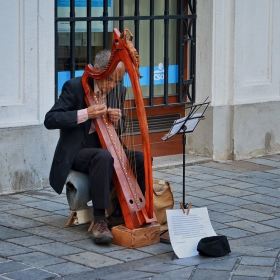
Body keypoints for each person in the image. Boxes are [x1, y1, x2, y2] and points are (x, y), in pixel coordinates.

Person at [44, 50, 145, 244]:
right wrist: (85, 113)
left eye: (116, 81)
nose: (111, 86)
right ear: (97, 72)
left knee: (140, 159)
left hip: (108, 145)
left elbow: (120, 130)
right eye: (109, 80)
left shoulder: (117, 90)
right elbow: (50, 119)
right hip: (78, 150)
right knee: (103, 157)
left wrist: (117, 120)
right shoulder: (74, 87)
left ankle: (123, 213)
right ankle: (100, 220)